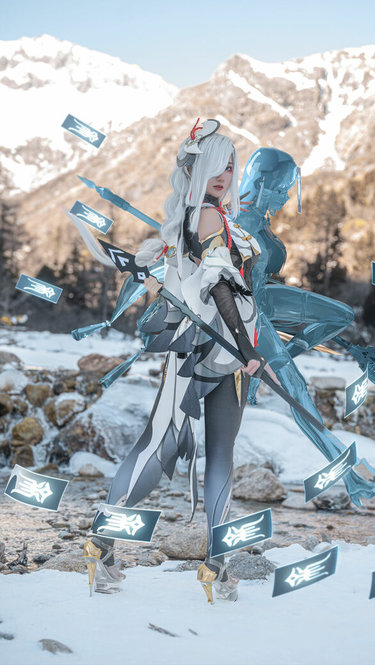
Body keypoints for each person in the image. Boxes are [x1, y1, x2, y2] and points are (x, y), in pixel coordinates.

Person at [83, 119, 278, 603]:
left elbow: (230, 289)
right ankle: (210, 567)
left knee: (189, 450)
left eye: (230, 166)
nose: (225, 175)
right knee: (168, 448)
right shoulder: (206, 217)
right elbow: (218, 285)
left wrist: (254, 351)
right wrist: (249, 350)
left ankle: (113, 548)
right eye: (216, 165)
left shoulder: (207, 219)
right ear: (195, 167)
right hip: (208, 352)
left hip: (223, 353)